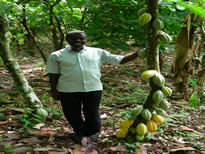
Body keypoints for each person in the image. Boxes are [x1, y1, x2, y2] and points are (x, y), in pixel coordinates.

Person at [45, 30, 139, 143]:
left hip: (93, 88)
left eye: (81, 38)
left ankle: (92, 132)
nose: (78, 40)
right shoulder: (57, 55)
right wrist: (54, 90)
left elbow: (119, 60)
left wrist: (138, 53)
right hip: (68, 89)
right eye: (73, 38)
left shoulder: (97, 52)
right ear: (67, 40)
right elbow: (53, 74)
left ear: (86, 39)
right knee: (71, 113)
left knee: (92, 112)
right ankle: (79, 132)